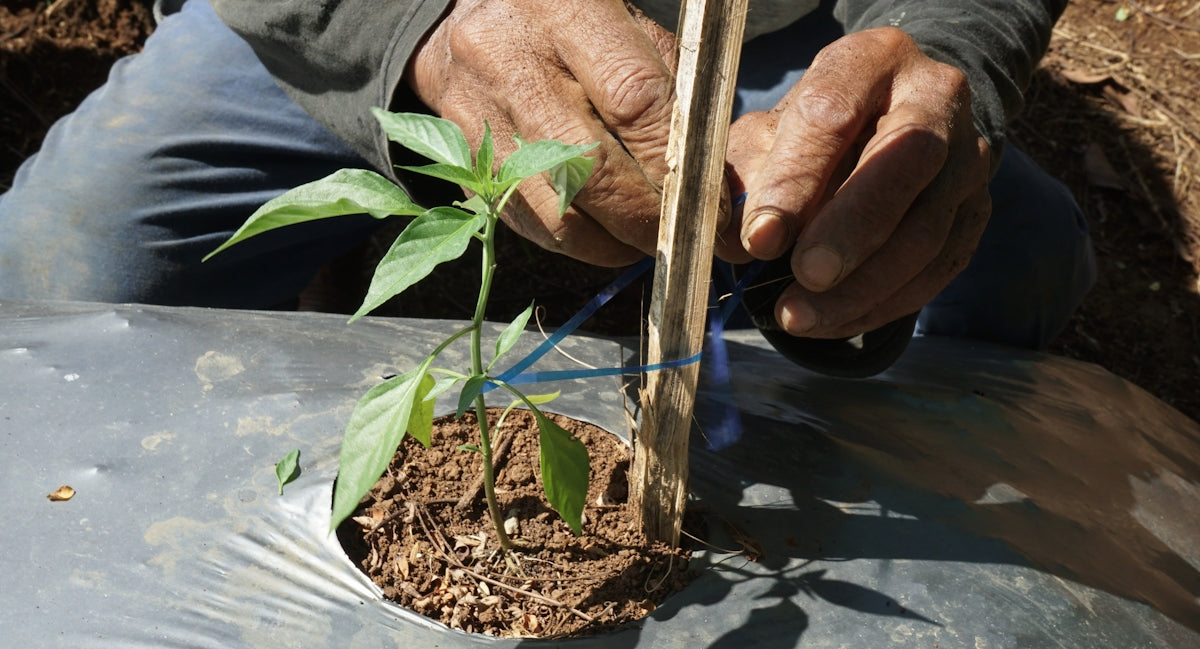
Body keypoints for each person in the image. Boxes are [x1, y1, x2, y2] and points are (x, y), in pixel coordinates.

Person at [0, 0, 1094, 374]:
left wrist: (951, 47)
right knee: (60, 278)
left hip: (775, 35)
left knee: (1001, 268)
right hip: (342, 18)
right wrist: (409, 29)